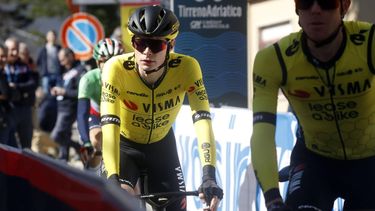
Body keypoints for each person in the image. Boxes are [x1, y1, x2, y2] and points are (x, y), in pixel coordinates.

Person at [251, 0, 375, 210]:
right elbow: (262, 134)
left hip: (370, 162)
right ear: (297, 9)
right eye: (306, 1)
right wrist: (272, 199)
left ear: (344, 6)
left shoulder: (369, 42)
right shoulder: (274, 59)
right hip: (315, 161)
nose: (315, 9)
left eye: (326, 2)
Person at [100, 5, 223, 211]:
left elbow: (202, 120)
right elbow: (109, 126)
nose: (147, 52)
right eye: (140, 43)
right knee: (118, 201)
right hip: (124, 146)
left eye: (156, 45)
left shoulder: (187, 67)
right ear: (133, 43)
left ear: (171, 45)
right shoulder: (116, 69)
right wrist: (112, 178)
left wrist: (209, 175)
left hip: (161, 145)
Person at [77, 38, 124, 174]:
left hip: (120, 112)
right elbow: (82, 114)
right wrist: (86, 143)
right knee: (96, 139)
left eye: (114, 60)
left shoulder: (129, 76)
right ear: (98, 63)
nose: (110, 65)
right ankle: (93, 174)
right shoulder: (88, 80)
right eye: (105, 61)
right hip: (97, 114)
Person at [50, 47, 86, 161]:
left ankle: (78, 147)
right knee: (65, 135)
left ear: (70, 56)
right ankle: (63, 158)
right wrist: (55, 90)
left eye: (63, 59)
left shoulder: (80, 70)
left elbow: (81, 92)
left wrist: (64, 92)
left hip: (69, 108)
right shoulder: (63, 70)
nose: (61, 62)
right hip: (60, 107)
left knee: (55, 136)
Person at [4, 37, 38, 149]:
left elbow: (32, 84)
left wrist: (16, 87)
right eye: (12, 49)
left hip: (25, 109)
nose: (15, 53)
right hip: (7, 111)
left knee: (26, 146)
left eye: (17, 50)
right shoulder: (2, 67)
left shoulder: (23, 65)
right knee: (8, 145)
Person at [36, 30, 62, 96]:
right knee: (46, 93)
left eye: (53, 35)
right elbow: (38, 62)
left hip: (57, 73)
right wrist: (42, 72)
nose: (52, 37)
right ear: (47, 37)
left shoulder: (59, 48)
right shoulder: (43, 49)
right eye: (50, 35)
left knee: (58, 92)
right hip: (46, 74)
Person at [0, 44, 16, 146]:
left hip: (6, 116)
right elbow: (5, 94)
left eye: (5, 56)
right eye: (1, 56)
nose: (4, 59)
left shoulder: (3, 72)